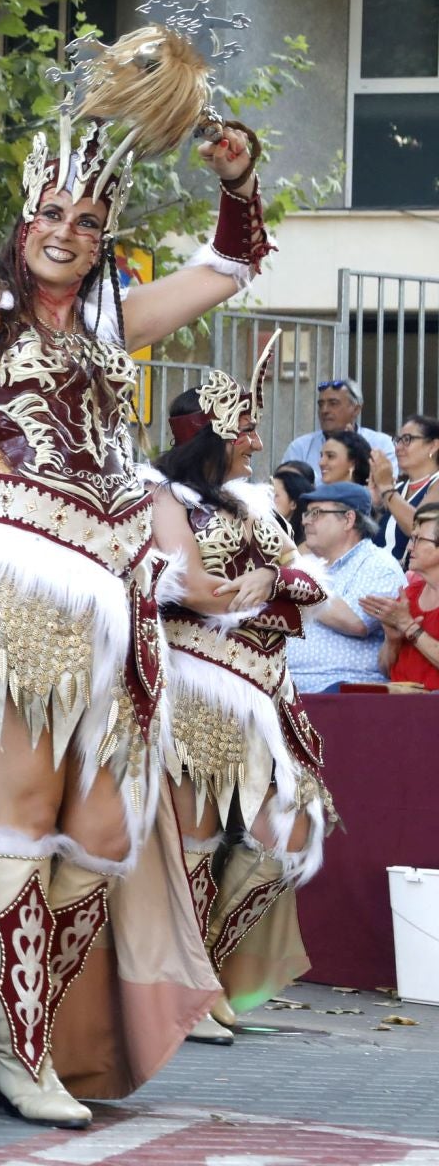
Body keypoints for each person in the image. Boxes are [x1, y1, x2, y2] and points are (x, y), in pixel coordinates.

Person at [0, 0, 260, 1126]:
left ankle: (18, 1021)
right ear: (26, 219)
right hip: (14, 586)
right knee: (19, 818)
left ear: (104, 225)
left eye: (87, 213)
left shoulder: (112, 325)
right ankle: (25, 1052)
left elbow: (226, 268)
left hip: (115, 600)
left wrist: (238, 172)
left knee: (107, 833)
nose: (67, 227)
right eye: (52, 210)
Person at [146, 353, 331, 1043]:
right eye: (246, 428)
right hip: (193, 684)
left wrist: (271, 584)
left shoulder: (251, 504)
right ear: (213, 434)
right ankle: (187, 987)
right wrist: (247, 587)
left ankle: (210, 970)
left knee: (288, 833)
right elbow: (180, 590)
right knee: (193, 836)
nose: (256, 441)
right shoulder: (157, 497)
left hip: (265, 691)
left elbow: (309, 582)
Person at [286, 481, 404, 693]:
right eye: (306, 514)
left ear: (348, 519)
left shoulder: (378, 564)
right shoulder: (309, 566)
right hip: (289, 686)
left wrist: (297, 585)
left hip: (341, 686)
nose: (306, 522)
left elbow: (355, 622)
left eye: (316, 513)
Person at [367, 503, 439, 690]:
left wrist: (409, 626)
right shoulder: (409, 594)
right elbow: (384, 669)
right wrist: (392, 640)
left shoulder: (405, 612)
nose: (409, 546)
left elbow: (409, 626)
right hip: (399, 702)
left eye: (417, 539)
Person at [280, 380, 395, 482]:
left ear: (356, 409)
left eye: (333, 404)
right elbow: (286, 488)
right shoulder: (300, 448)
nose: (324, 410)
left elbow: (387, 485)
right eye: (321, 404)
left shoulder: (380, 444)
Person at [371, 416, 439, 563]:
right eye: (398, 440)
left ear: (433, 445)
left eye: (407, 439)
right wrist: (376, 504)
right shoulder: (399, 489)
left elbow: (418, 528)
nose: (398, 447)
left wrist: (386, 488)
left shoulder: (436, 483)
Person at [271, 463, 313, 541]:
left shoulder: (308, 540)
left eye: (275, 495)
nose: (269, 500)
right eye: (268, 494)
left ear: (293, 503)